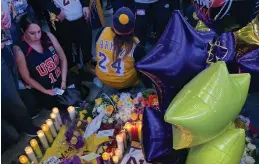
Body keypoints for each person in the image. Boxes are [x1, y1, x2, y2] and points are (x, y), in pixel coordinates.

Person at [13, 14, 68, 110]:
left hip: (61, 81)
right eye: (32, 33)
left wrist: (63, 81)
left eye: (39, 31)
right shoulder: (20, 50)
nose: (37, 36)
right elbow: (26, 77)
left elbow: (63, 58)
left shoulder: (48, 36)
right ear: (23, 31)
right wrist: (45, 91)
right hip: (44, 90)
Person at [95, 7, 146, 90]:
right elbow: (143, 69)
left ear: (113, 23)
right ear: (132, 27)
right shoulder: (136, 44)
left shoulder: (101, 32)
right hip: (124, 83)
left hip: (102, 77)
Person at [39, 0, 93, 73]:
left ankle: (87, 63)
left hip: (79, 11)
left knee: (86, 39)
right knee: (66, 43)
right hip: (62, 15)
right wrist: (56, 11)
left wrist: (85, 4)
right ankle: (72, 68)